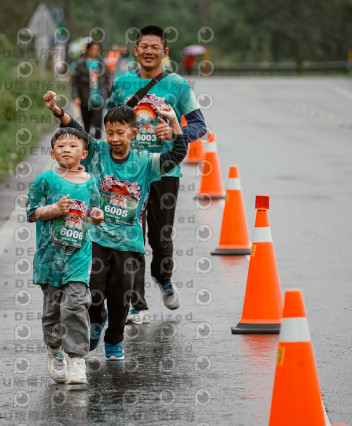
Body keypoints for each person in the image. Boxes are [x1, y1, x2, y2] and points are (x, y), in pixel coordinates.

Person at [43, 90, 188, 361]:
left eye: (121, 133)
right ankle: (97, 320)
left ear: (133, 133)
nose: (115, 139)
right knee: (94, 293)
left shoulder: (146, 161)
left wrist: (174, 123)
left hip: (129, 242)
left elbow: (178, 153)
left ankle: (114, 341)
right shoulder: (97, 153)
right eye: (110, 133)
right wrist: (57, 110)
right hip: (96, 238)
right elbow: (76, 132)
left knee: (121, 296)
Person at [107, 25, 207, 325]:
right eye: (144, 46)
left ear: (165, 53)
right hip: (129, 172)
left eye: (156, 47)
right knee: (131, 237)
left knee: (161, 237)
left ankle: (163, 278)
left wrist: (175, 131)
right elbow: (110, 122)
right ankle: (136, 302)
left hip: (165, 169)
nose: (149, 51)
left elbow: (200, 125)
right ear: (136, 50)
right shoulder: (122, 83)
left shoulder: (177, 85)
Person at [26, 127, 105, 384]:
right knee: (52, 311)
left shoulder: (90, 181)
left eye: (72, 146)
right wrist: (54, 209)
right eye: (61, 146)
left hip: (79, 257)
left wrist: (96, 215)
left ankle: (76, 358)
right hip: (50, 258)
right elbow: (32, 212)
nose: (66, 150)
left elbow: (94, 208)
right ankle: (54, 350)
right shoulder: (45, 180)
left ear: (83, 153)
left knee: (75, 305)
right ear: (52, 153)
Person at [71, 41, 111, 139]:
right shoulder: (81, 64)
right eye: (92, 49)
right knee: (87, 123)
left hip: (99, 98)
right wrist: (76, 96)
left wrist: (106, 94)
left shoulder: (102, 64)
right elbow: (75, 82)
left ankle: (97, 144)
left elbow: (107, 80)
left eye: (97, 50)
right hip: (85, 97)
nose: (94, 52)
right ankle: (87, 144)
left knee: (98, 123)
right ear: (88, 50)